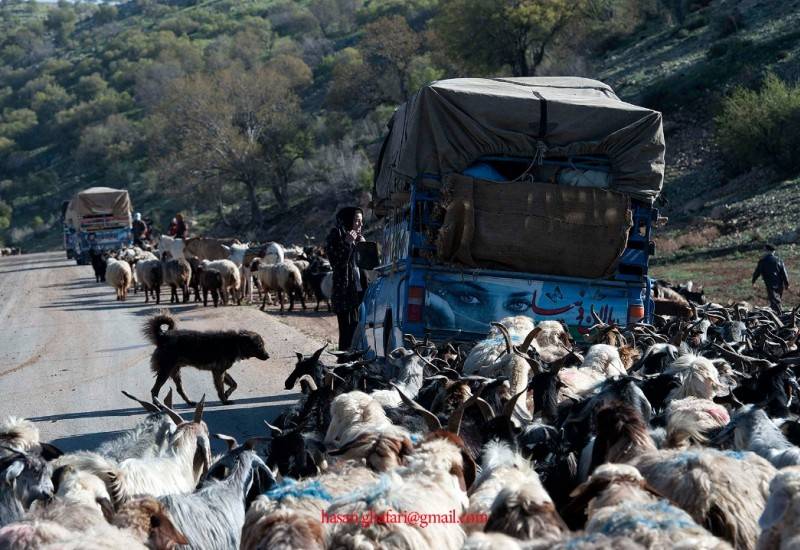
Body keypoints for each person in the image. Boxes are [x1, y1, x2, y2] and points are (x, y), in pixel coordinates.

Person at [325, 207, 367, 350]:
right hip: (344, 293)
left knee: (359, 330)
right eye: (357, 221)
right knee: (347, 331)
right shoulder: (335, 236)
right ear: (348, 221)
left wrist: (364, 246)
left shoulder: (358, 238)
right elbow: (337, 264)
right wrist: (347, 244)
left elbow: (368, 265)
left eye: (361, 221)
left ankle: (354, 362)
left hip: (360, 292)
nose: (360, 225)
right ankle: (344, 364)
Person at [752, 243, 790, 314]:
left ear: (767, 250)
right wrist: (786, 283)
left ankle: (778, 316)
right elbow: (784, 273)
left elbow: (757, 272)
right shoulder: (779, 260)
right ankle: (778, 313)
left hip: (770, 284)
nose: (763, 251)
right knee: (777, 299)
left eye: (764, 250)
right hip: (779, 284)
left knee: (774, 301)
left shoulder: (762, 261)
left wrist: (753, 281)